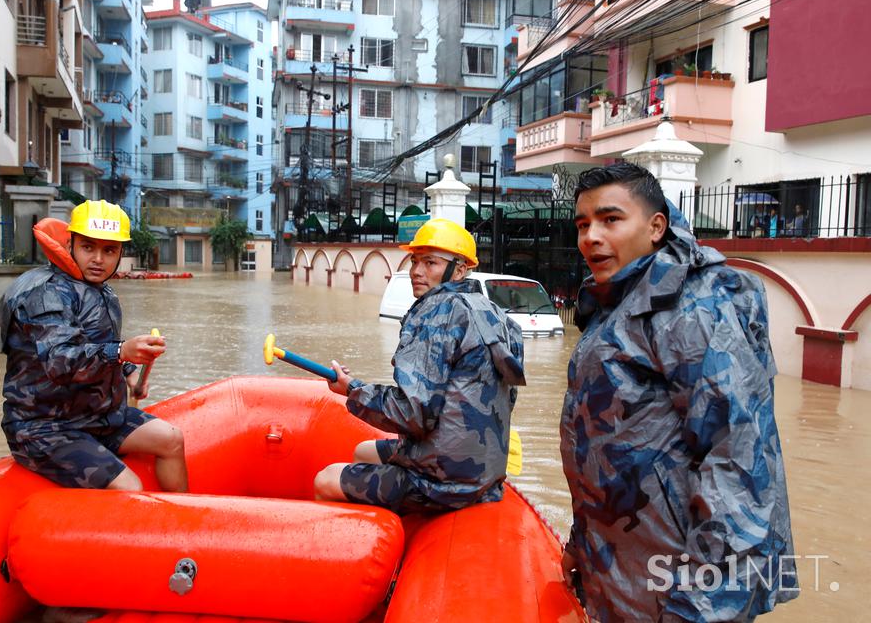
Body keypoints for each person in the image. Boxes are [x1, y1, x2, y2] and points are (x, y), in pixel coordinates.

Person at [562, 163, 797, 621]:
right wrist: (582, 543)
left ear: (655, 227)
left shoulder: (692, 308)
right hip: (619, 563)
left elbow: (737, 462)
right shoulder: (620, 301)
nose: (591, 236)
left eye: (610, 219)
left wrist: (701, 605)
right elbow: (602, 440)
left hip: (674, 585)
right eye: (583, 224)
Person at [313, 218, 526, 513]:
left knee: (325, 479)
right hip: (484, 474)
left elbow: (413, 413)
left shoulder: (436, 313)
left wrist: (352, 389)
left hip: (443, 481)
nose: (416, 271)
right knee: (362, 451)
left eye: (430, 263)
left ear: (461, 269)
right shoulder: (497, 315)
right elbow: (507, 398)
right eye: (415, 261)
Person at [0, 200, 188, 492]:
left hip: (96, 417)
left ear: (120, 253)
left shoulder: (99, 290)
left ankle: (184, 526)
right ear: (71, 243)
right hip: (44, 428)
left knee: (172, 439)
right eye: (89, 247)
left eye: (109, 250)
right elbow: (60, 361)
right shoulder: (46, 294)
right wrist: (121, 351)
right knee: (129, 488)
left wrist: (128, 371)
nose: (98, 259)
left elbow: (99, 344)